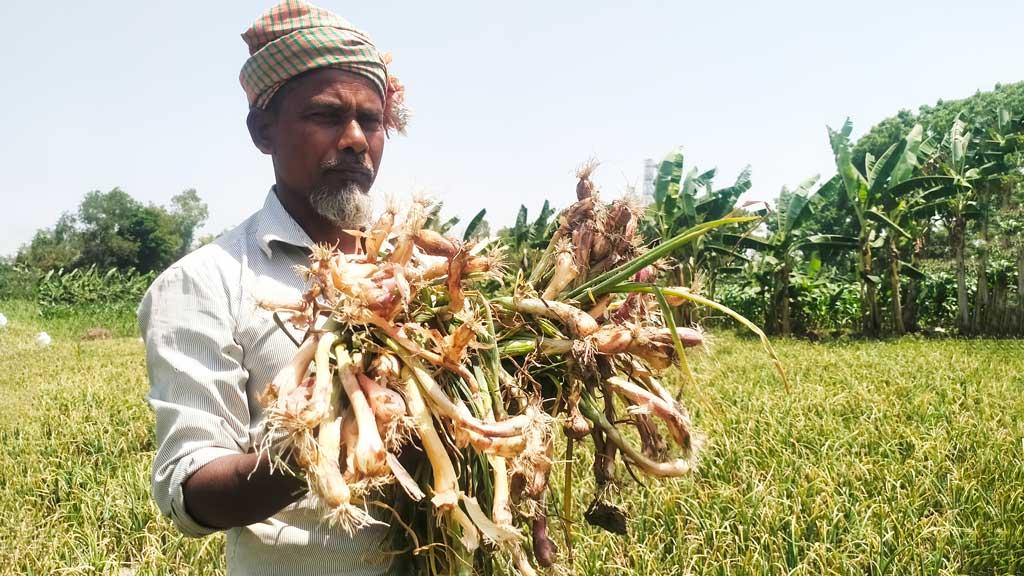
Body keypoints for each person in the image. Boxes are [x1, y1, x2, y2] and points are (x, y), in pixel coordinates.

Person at [138, 2, 407, 574]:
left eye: (372, 120)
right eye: (327, 116)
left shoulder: (414, 272)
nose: (356, 139)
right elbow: (189, 488)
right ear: (264, 131)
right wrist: (321, 437)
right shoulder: (203, 283)